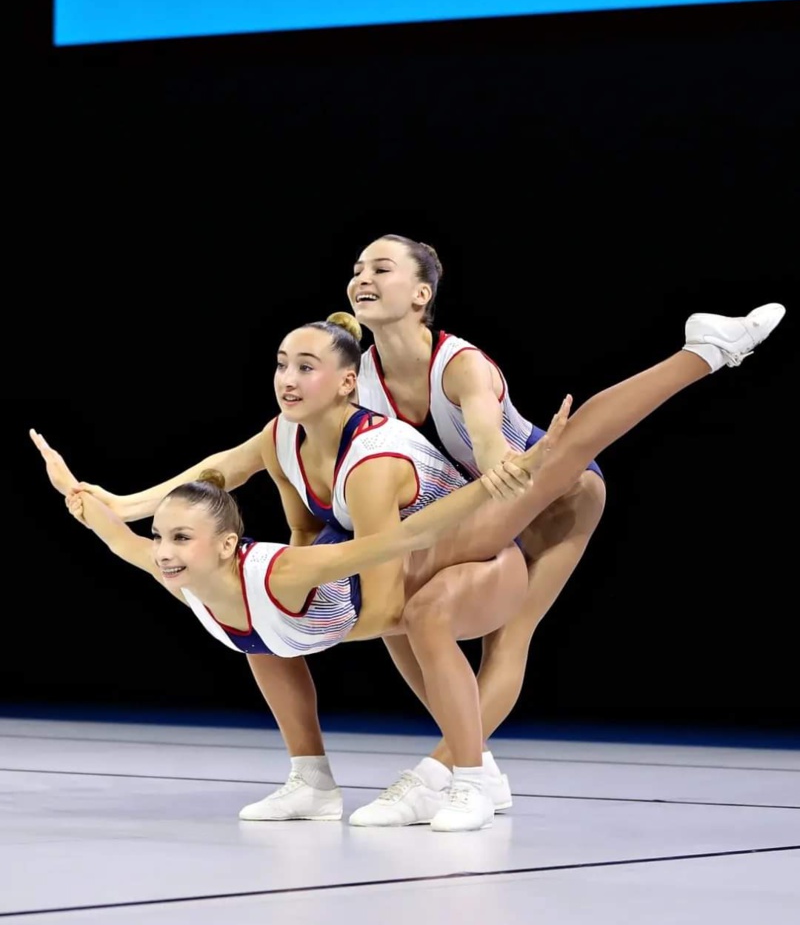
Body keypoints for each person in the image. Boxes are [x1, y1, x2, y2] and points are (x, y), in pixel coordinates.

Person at [32, 301, 785, 830]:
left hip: (466, 533)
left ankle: (705, 350)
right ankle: (326, 778)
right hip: (403, 550)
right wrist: (113, 502)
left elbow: (386, 567)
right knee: (262, 632)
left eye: (305, 367)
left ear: (348, 382)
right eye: (280, 364)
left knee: (557, 463)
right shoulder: (281, 437)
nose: (286, 379)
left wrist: (503, 473)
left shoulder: (375, 456)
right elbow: (210, 475)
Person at [343, 233, 608, 825]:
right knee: (396, 611)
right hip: (479, 504)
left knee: (507, 640)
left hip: (555, 496)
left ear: (420, 293)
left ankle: (436, 776)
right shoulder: (359, 378)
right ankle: (478, 768)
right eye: (357, 269)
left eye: (380, 269)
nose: (362, 277)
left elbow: (488, 442)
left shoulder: (459, 364)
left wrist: (498, 464)